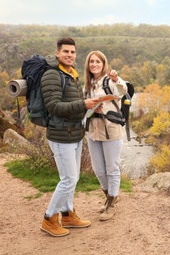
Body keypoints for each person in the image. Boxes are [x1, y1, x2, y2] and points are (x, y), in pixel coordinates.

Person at [40, 38, 102, 237]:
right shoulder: (51, 75)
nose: (70, 55)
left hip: (73, 134)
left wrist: (90, 107)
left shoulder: (71, 75)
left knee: (72, 179)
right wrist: (84, 104)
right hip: (60, 136)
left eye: (73, 52)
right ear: (57, 53)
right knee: (68, 179)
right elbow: (54, 107)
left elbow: (74, 106)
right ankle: (49, 218)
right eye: (66, 51)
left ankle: (67, 214)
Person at [83, 50, 127, 221]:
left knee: (112, 168)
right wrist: (90, 109)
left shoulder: (110, 81)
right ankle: (110, 197)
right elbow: (84, 107)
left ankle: (111, 203)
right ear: (88, 64)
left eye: (98, 62)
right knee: (99, 170)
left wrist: (117, 79)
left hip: (111, 130)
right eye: (91, 61)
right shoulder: (87, 85)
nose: (94, 64)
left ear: (103, 64)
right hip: (93, 131)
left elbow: (122, 91)